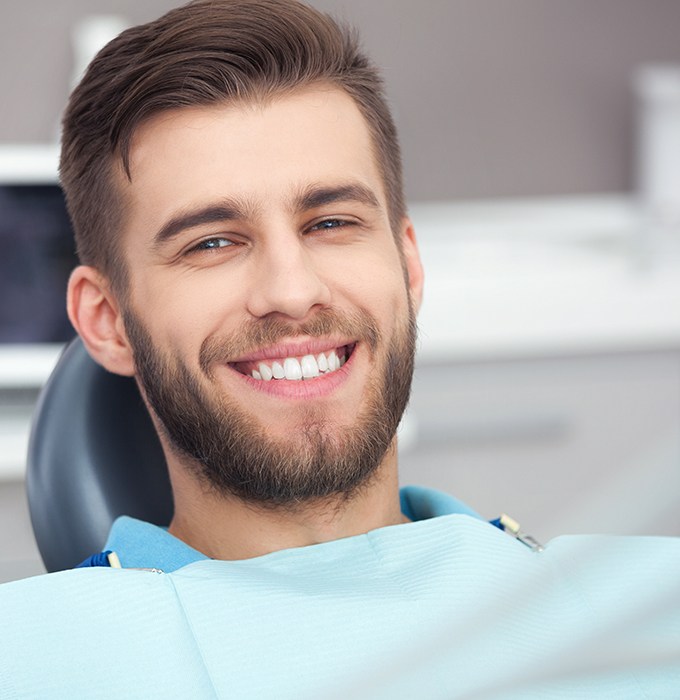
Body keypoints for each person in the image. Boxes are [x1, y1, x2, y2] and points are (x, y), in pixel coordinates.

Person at [1, 1, 679, 697]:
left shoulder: (648, 610)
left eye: (330, 221)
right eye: (212, 241)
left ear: (408, 264)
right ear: (107, 319)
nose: (292, 292)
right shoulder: (28, 657)